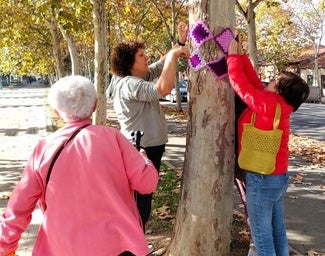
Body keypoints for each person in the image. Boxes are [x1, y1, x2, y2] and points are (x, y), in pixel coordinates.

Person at [0, 76, 158, 256]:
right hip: (119, 244)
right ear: (95, 105)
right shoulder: (113, 138)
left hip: (62, 247)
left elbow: (19, 207)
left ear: (57, 113)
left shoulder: (43, 149)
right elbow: (147, 183)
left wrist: (5, 246)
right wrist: (144, 158)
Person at [227, 39, 310, 256]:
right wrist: (242, 55)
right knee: (276, 230)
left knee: (262, 236)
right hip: (277, 177)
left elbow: (240, 85)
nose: (270, 80)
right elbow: (254, 82)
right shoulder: (278, 103)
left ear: (279, 90)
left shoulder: (268, 104)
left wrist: (232, 57)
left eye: (275, 80)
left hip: (262, 179)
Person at [107, 21, 190, 231]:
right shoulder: (130, 84)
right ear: (129, 63)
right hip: (141, 148)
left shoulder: (130, 78)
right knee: (140, 201)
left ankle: (134, 243)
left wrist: (179, 42)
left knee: (141, 198)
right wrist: (173, 56)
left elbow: (160, 66)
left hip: (145, 146)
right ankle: (134, 246)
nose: (147, 59)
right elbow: (162, 89)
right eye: (142, 56)